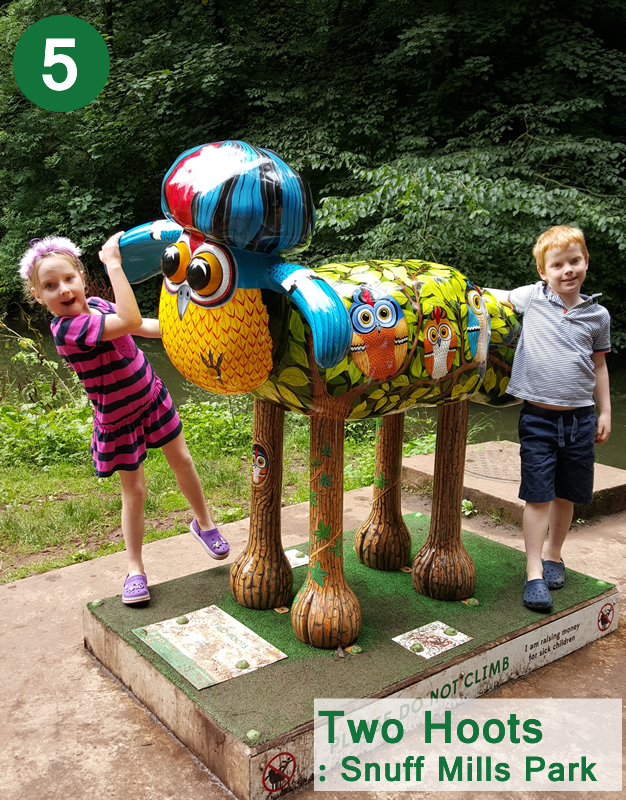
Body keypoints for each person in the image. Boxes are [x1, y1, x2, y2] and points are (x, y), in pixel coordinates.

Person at [19, 233, 230, 605]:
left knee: (183, 461)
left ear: (81, 278)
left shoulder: (98, 305)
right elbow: (129, 317)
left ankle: (204, 524)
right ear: (38, 296)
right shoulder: (68, 331)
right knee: (135, 492)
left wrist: (185, 332)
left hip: (152, 399)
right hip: (119, 421)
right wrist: (114, 265)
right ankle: (134, 569)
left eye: (68, 279)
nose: (63, 289)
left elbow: (139, 325)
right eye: (50, 286)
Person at [485, 225, 611, 611]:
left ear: (585, 262)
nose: (567, 270)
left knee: (566, 493)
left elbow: (599, 366)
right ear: (543, 272)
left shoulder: (598, 315)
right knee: (538, 496)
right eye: (557, 264)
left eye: (574, 261)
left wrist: (606, 411)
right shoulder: (534, 297)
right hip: (538, 419)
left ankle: (554, 555)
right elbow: (493, 295)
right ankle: (534, 571)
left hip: (581, 420)